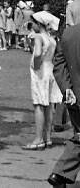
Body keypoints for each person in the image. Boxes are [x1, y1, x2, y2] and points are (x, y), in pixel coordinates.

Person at [49, 13, 80, 187]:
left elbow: (59, 63)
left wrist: (67, 88)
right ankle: (60, 173)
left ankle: (60, 173)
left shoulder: (69, 33)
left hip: (74, 95)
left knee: (79, 136)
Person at [25, 11, 63, 150]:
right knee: (49, 106)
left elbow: (38, 53)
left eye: (33, 23)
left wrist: (35, 64)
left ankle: (38, 139)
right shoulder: (51, 38)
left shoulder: (39, 37)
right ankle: (47, 137)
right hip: (50, 70)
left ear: (38, 24)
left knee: (39, 105)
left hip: (40, 72)